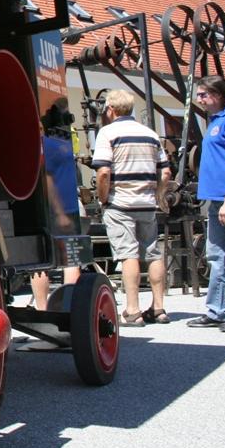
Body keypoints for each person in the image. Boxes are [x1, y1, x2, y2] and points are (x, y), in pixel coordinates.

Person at [92, 89, 171, 326]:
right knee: (153, 253)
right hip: (146, 203)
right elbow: (165, 171)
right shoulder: (150, 134)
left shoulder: (107, 133)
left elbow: (104, 171)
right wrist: (158, 194)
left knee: (128, 255)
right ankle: (159, 308)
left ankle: (133, 311)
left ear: (111, 109)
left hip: (120, 203)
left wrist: (103, 198)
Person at [187, 75, 225, 332]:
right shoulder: (215, 121)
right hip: (218, 201)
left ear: (218, 95)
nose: (199, 99)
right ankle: (219, 312)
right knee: (217, 256)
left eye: (203, 94)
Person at [30, 124, 82, 311]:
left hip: (49, 209)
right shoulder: (63, 145)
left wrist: (59, 212)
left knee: (39, 263)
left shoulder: (39, 146)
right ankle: (70, 308)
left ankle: (43, 309)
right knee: (71, 260)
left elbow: (47, 179)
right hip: (69, 206)